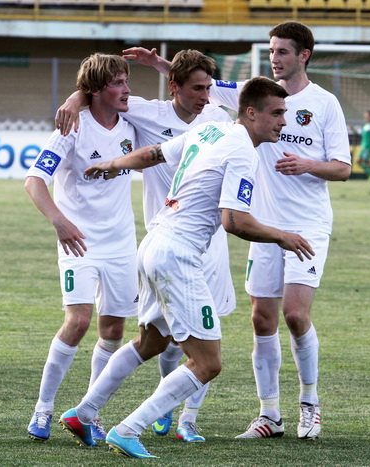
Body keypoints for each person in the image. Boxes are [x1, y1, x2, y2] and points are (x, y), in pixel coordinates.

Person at [58, 77, 314, 458]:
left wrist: (112, 164)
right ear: (250, 112)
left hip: (153, 243)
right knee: (207, 363)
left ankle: (83, 413)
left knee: (152, 341)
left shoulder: (210, 130)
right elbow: (234, 221)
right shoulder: (242, 152)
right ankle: (128, 429)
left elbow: (154, 154)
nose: (283, 121)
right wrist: (282, 236)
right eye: (277, 113)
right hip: (177, 254)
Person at [123, 20, 352, 441]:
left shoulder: (325, 104)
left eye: (282, 51)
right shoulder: (255, 92)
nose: (274, 58)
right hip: (263, 223)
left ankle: (310, 405)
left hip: (308, 223)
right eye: (272, 50)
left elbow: (343, 168)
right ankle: (270, 414)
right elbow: (203, 84)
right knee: (262, 319)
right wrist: (160, 65)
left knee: (295, 314)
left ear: (304, 55)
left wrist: (307, 164)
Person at [55, 49, 235, 443]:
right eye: (197, 88)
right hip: (173, 243)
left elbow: (157, 150)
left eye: (209, 88)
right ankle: (140, 423)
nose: (205, 96)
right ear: (174, 87)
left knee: (162, 340)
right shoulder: (149, 113)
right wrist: (73, 100)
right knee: (198, 347)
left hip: (195, 246)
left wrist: (161, 65)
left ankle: (174, 418)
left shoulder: (218, 120)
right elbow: (99, 91)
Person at [24, 53, 138, 444]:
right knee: (78, 322)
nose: (127, 89)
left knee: (114, 330)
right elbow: (34, 181)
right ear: (96, 90)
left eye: (126, 81)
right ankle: (43, 408)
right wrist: (59, 221)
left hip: (122, 243)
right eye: (118, 83)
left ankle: (89, 412)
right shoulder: (72, 126)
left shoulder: (133, 124)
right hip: (79, 243)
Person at [358, 109, 370, 181]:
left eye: (367, 116)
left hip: (368, 147)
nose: (365, 117)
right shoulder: (365, 126)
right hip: (363, 147)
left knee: (363, 161)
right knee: (360, 162)